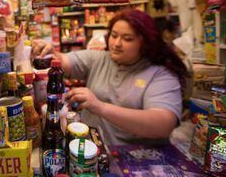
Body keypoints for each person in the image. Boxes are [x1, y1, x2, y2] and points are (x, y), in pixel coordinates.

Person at [32, 9, 188, 145]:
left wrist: (100, 107)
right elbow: (63, 61)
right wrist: (49, 51)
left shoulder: (160, 74)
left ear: (146, 43)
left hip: (135, 159)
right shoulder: (100, 58)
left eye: (127, 39)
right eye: (114, 35)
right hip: (91, 152)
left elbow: (162, 125)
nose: (116, 43)